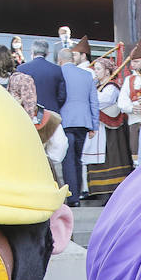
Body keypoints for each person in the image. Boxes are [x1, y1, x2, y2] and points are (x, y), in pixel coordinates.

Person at [83, 57, 132, 199]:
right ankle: (97, 190)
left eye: (98, 69)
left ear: (107, 71)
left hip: (111, 130)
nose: (96, 72)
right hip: (100, 128)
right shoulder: (99, 86)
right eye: (95, 69)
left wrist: (90, 94)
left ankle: (111, 191)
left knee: (111, 158)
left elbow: (102, 101)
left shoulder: (111, 87)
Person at [56, 45, 99, 207]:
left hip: (65, 120)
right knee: (78, 159)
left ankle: (72, 196)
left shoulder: (59, 73)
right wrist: (94, 124)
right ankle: (78, 193)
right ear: (73, 59)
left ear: (60, 60)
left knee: (68, 159)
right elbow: (94, 102)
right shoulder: (87, 75)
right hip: (83, 121)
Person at [8, 73, 68, 184]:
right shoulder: (49, 118)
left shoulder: (3, 115)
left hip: (10, 174)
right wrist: (47, 161)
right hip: (41, 174)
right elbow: (60, 145)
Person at [15, 40, 66, 114]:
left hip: (28, 113)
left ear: (32, 51)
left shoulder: (21, 69)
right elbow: (62, 96)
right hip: (51, 113)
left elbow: (17, 93)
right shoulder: (57, 69)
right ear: (47, 53)